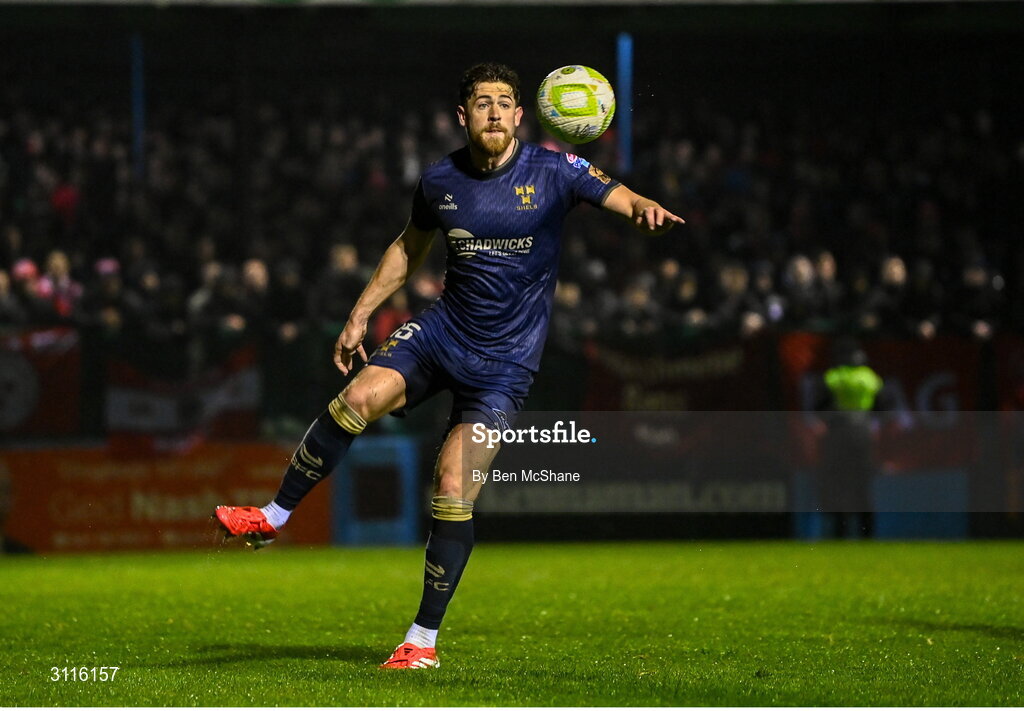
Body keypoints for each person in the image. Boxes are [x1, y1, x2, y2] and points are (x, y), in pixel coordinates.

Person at [213, 62, 683, 669]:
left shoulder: (556, 170)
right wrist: (359, 316)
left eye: (505, 102)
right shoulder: (440, 181)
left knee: (454, 487)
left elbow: (616, 193)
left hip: (505, 365)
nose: (494, 111)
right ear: (463, 117)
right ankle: (271, 517)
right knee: (357, 398)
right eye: (482, 102)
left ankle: (421, 643)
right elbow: (409, 248)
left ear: (521, 115)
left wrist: (643, 206)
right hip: (440, 334)